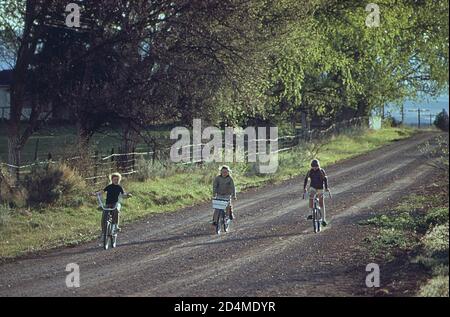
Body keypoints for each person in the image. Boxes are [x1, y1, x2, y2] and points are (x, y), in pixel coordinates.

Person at [303, 159, 330, 226]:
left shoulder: (321, 171)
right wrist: (304, 188)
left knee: (321, 202)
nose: (314, 168)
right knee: (311, 197)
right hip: (313, 187)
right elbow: (306, 179)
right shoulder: (310, 172)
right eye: (313, 166)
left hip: (320, 188)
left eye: (316, 166)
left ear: (318, 166)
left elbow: (325, 179)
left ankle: (323, 219)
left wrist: (326, 188)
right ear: (311, 166)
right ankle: (310, 214)